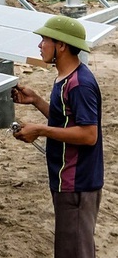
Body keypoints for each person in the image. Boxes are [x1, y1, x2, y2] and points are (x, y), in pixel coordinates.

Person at [11, 15, 103, 258]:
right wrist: (36, 101)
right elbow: (67, 120)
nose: (40, 45)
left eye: (45, 40)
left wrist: (40, 130)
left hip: (77, 184)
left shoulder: (80, 84)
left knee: (75, 252)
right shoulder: (65, 79)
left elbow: (88, 134)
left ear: (61, 45)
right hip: (67, 182)